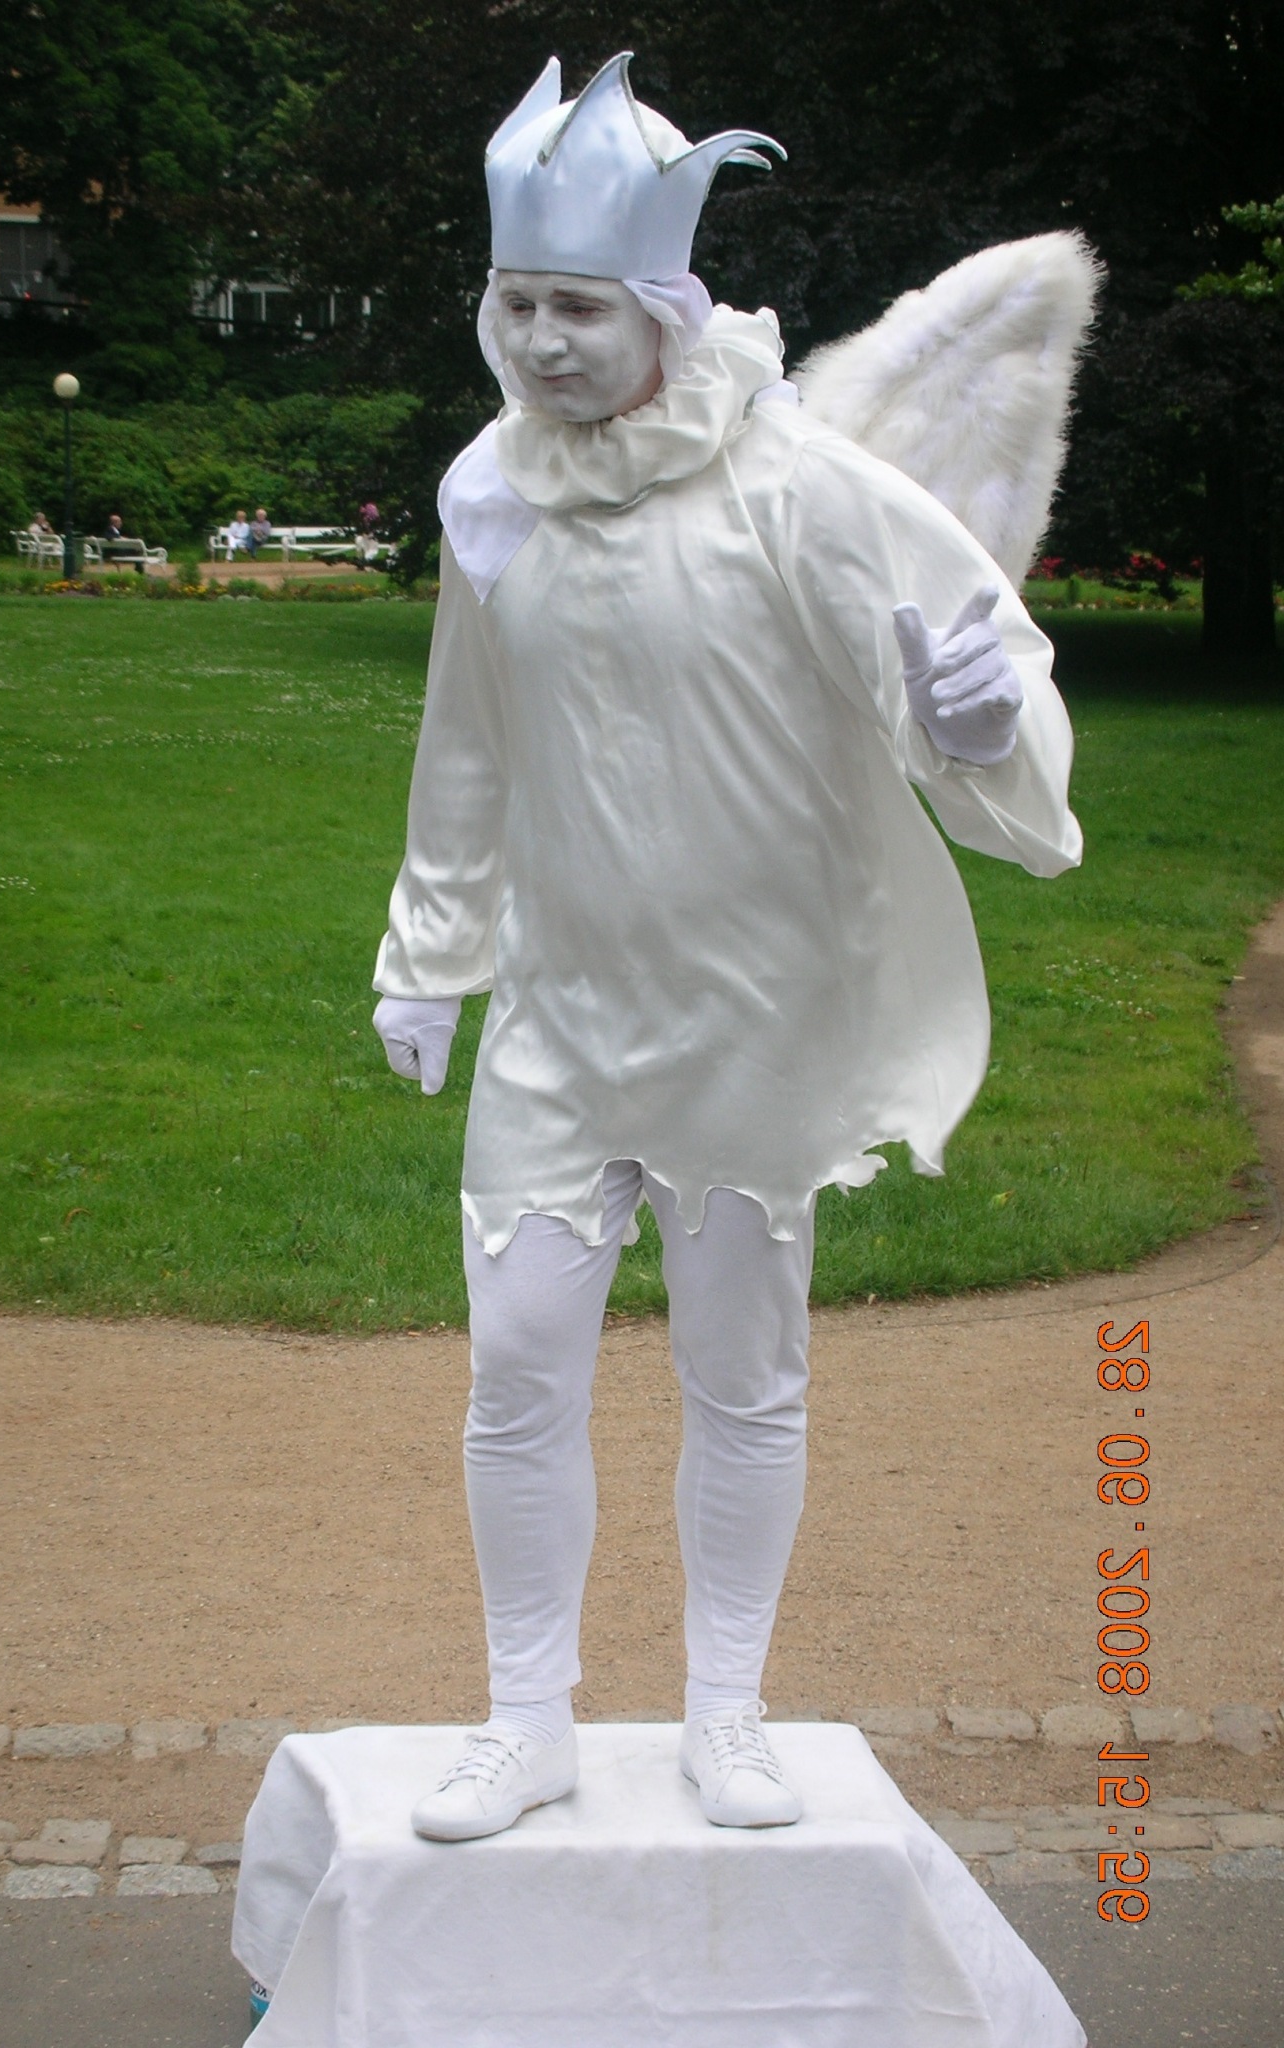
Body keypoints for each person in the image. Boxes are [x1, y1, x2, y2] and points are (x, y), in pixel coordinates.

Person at [370, 52, 1081, 1846]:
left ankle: (728, 1711)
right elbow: (467, 741)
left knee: (744, 1377)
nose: (541, 341)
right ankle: (525, 1719)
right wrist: (427, 954)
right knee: (518, 1365)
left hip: (754, 1016)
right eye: (516, 303)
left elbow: (954, 667)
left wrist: (982, 724)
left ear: (663, 310)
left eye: (577, 307)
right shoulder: (490, 489)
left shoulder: (794, 483)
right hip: (559, 1012)